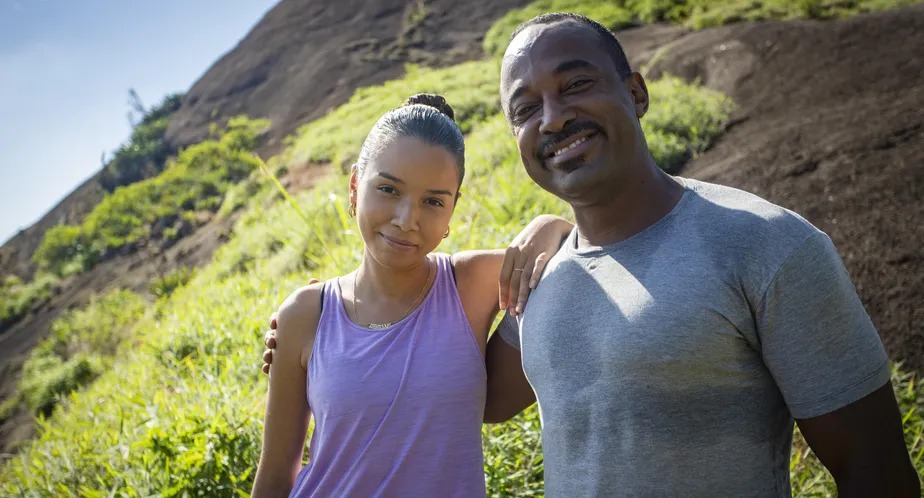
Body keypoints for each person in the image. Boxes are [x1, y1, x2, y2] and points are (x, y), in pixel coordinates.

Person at [264, 14, 920, 497]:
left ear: (635, 92)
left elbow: (877, 472)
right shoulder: (538, 282)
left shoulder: (768, 246)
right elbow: (473, 395)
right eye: (525, 108)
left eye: (575, 85)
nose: (552, 118)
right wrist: (312, 329)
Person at [250, 93, 572, 497]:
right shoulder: (305, 313)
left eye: (433, 201)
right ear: (354, 187)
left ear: (453, 209)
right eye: (388, 189)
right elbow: (277, 472)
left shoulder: (469, 285)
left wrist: (549, 223)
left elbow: (577, 249)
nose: (406, 220)